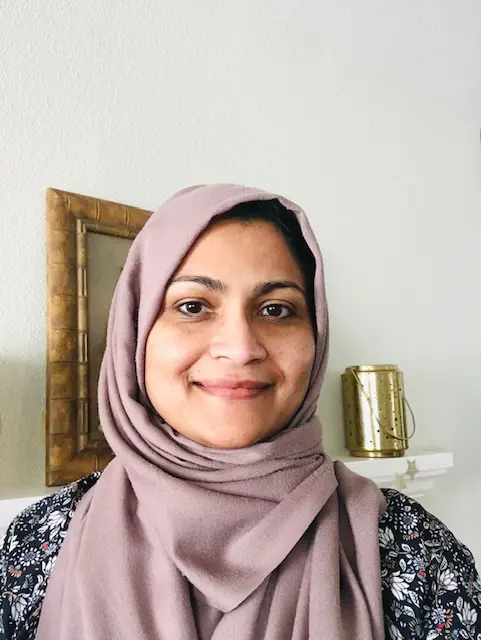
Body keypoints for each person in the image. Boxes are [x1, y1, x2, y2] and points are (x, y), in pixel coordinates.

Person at [1, 184, 480, 640]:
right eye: (192, 306)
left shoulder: (410, 550)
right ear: (136, 335)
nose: (240, 347)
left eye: (276, 310)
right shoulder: (43, 538)